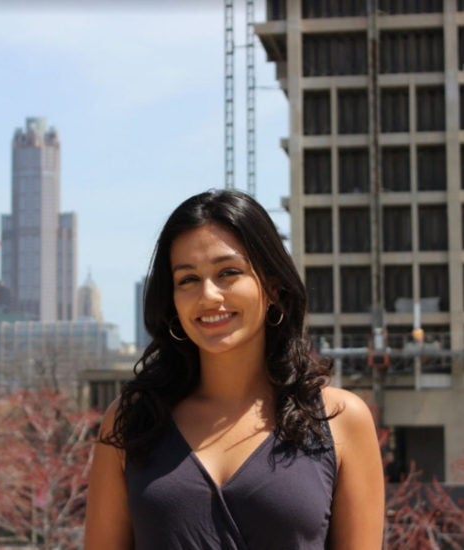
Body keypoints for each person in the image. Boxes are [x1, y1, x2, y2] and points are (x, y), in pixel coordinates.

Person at [84, 189, 385, 549]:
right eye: (188, 279)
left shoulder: (340, 419)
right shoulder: (131, 422)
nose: (208, 295)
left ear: (272, 286)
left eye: (228, 272)